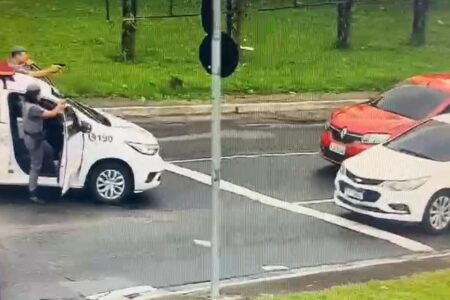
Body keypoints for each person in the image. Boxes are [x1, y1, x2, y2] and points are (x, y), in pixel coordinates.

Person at [22, 83, 66, 203]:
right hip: (34, 140)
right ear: (34, 95)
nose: (40, 95)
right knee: (35, 166)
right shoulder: (33, 108)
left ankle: (49, 170)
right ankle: (33, 192)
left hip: (37, 138)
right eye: (38, 93)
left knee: (49, 151)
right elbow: (51, 114)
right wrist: (60, 105)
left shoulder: (28, 104)